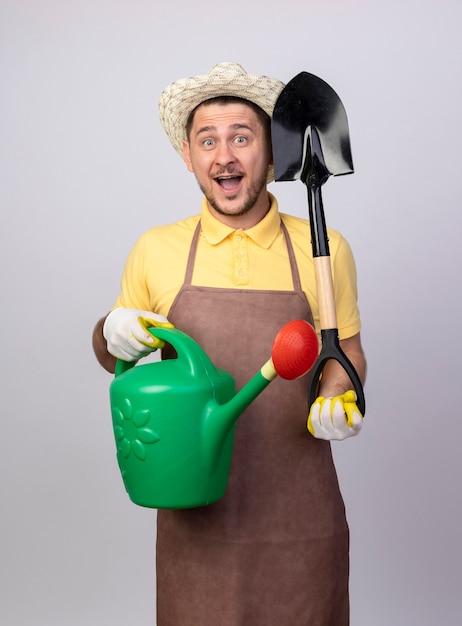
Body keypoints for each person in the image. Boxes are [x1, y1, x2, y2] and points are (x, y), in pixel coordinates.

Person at [92, 62, 366, 625]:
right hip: (197, 515)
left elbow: (347, 352)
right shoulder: (156, 249)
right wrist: (110, 332)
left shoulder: (323, 247)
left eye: (243, 137)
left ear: (272, 153)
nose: (225, 156)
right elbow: (115, 357)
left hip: (300, 514)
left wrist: (341, 398)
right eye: (207, 140)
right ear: (189, 157)